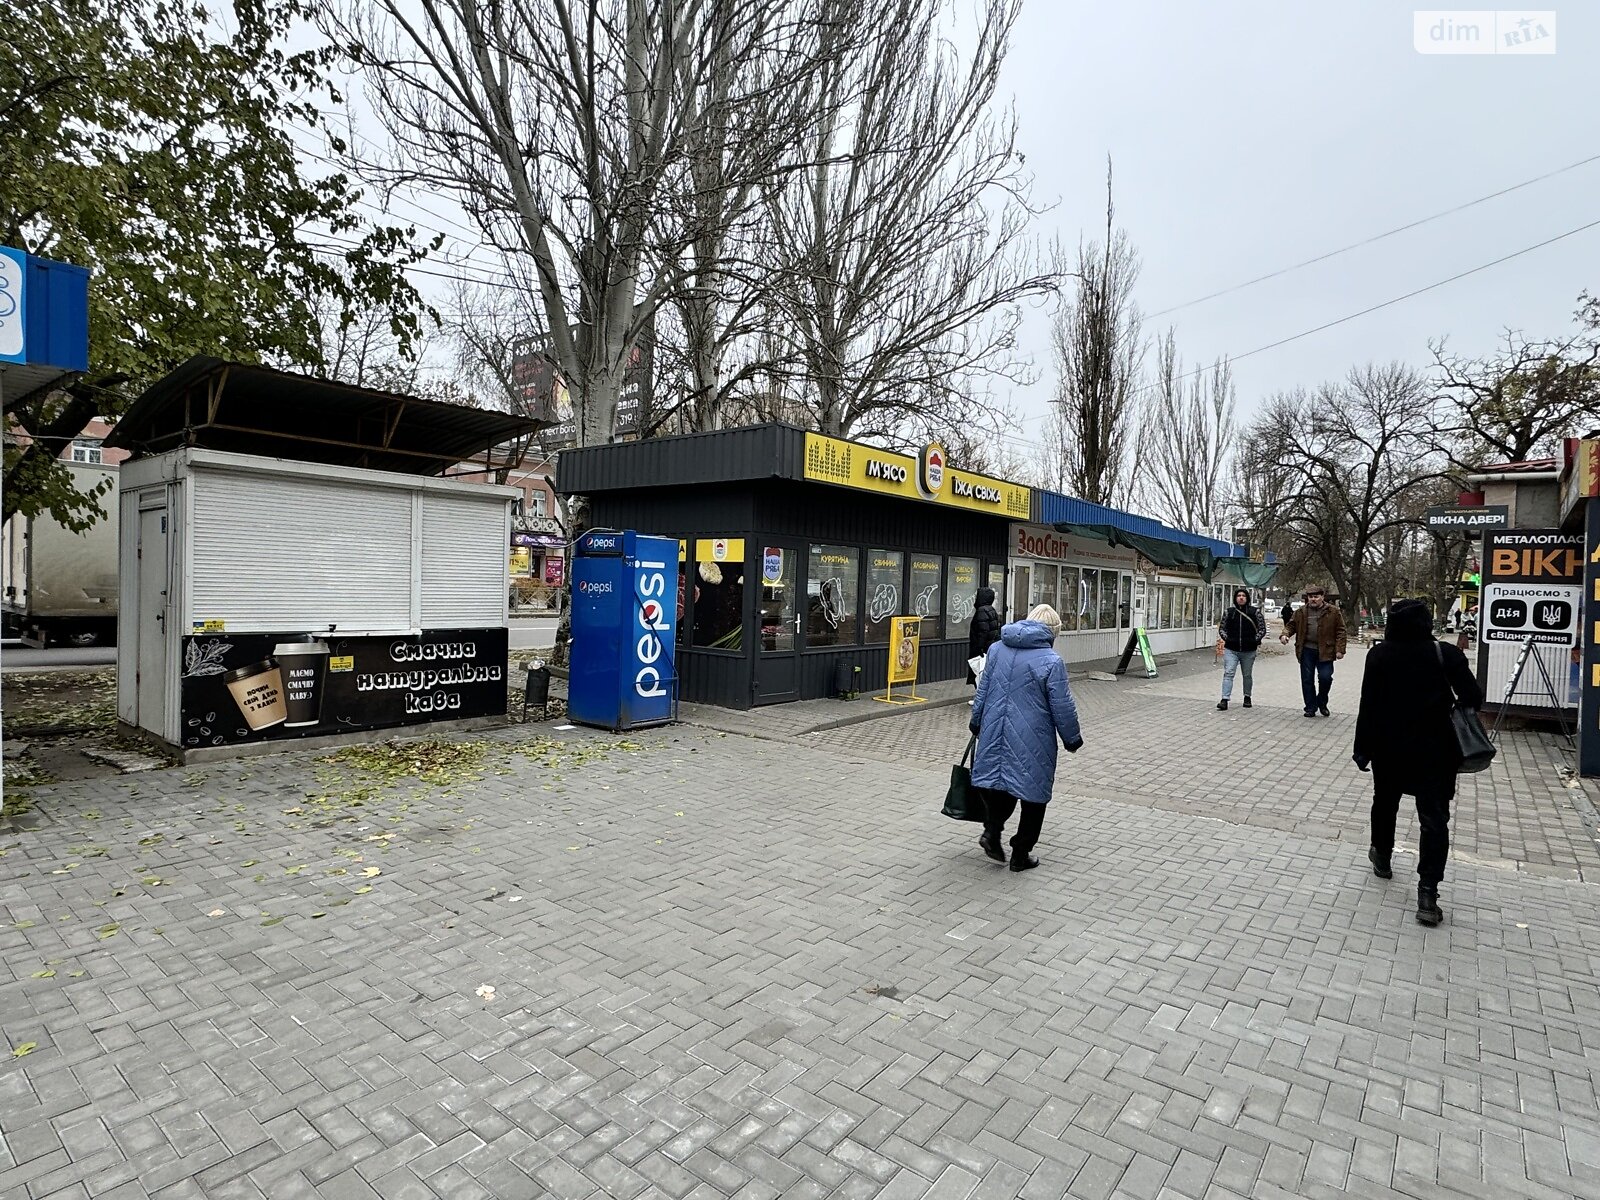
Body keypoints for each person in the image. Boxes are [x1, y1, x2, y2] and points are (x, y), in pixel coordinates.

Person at [1353, 598, 1483, 926]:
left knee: (1385, 804)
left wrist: (1362, 748)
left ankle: (1382, 857)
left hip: (1388, 747)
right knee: (1434, 819)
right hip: (1436, 750)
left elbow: (1368, 703)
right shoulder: (1446, 654)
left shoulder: (1379, 654)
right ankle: (1427, 894)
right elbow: (1473, 697)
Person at [969, 604, 1083, 872]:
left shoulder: (996, 649)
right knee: (1033, 796)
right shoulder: (1051, 661)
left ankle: (992, 833)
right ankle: (1021, 853)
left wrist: (976, 722)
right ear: (1052, 632)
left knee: (999, 785)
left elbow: (982, 690)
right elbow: (1062, 706)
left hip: (995, 731)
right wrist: (1072, 738)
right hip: (1034, 738)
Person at [1280, 585, 1347, 717]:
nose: (1313, 599)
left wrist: (1340, 650)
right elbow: (1291, 625)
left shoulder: (1333, 612)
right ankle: (1310, 707)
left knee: (1325, 678)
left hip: (1326, 650)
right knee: (1307, 680)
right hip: (1306, 650)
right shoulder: (1301, 612)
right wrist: (1285, 634)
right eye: (1311, 597)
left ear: (1322, 597)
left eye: (1316, 597)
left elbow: (1341, 630)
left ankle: (1322, 702)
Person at [1216, 587, 1266, 710]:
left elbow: (1262, 629)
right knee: (1228, 673)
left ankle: (1247, 696)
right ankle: (1224, 699)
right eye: (1239, 596)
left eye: (1244, 595)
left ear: (1247, 598)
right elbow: (1222, 628)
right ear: (1235, 598)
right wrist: (1227, 639)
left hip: (1249, 650)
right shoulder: (1229, 612)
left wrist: (1253, 640)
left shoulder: (1254, 612)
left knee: (1247, 675)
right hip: (1231, 649)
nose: (1241, 597)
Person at [966, 586, 1002, 696]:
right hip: (990, 647)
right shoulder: (991, 610)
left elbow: (983, 631)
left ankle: (980, 697)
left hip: (981, 649)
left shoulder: (981, 611)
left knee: (978, 672)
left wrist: (979, 648)